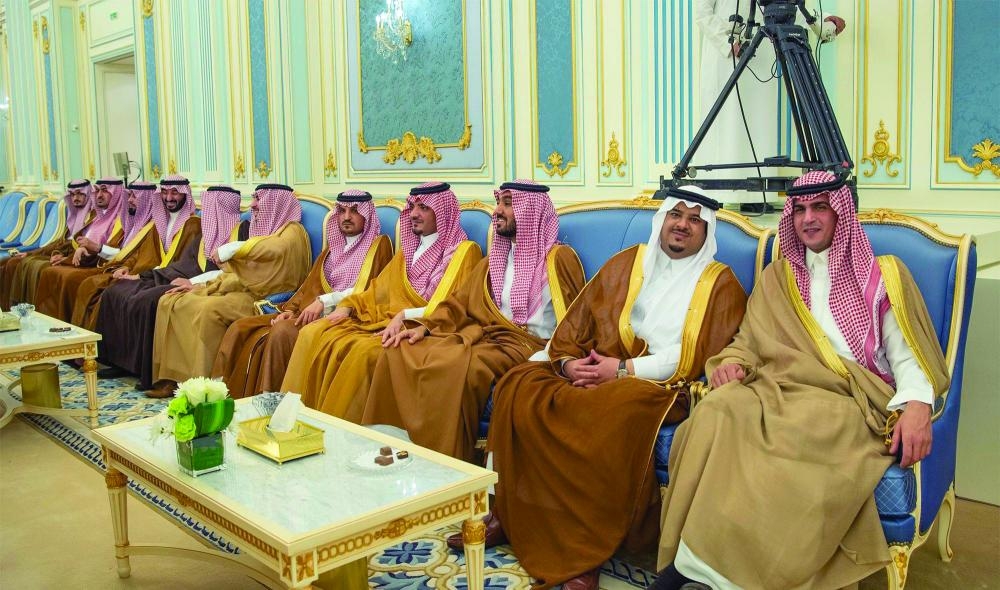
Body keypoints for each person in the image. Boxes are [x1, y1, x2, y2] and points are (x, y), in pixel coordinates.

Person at [651, 171, 949, 590]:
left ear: (841, 213)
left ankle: (735, 579)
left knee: (798, 429)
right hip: (778, 386)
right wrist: (732, 363)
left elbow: (908, 355)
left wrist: (917, 404)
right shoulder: (779, 277)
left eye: (820, 207)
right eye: (800, 209)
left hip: (847, 398)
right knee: (718, 409)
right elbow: (748, 340)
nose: (808, 218)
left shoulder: (882, 275)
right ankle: (692, 563)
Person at [451, 187, 747, 590]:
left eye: (694, 220)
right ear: (662, 219)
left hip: (656, 384)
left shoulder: (720, 284)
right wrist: (569, 363)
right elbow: (579, 319)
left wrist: (622, 369)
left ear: (706, 230)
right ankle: (507, 512)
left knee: (607, 411)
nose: (682, 225)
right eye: (676, 215)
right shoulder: (629, 261)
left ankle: (583, 549)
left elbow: (693, 355)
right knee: (519, 383)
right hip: (598, 364)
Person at [362, 180, 585, 461]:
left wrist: (554, 358)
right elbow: (458, 304)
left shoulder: (558, 259)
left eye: (508, 203)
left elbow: (575, 321)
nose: (497, 210)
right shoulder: (494, 261)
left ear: (531, 211)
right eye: (499, 203)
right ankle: (390, 447)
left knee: (457, 365)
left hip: (527, 345)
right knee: (400, 349)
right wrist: (424, 327)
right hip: (488, 337)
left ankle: (444, 462)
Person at [280, 181, 482, 417]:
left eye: (424, 208)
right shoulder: (408, 251)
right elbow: (378, 290)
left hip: (420, 327)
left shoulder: (464, 252)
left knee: (362, 352)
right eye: (413, 207)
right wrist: (348, 306)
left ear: (443, 212)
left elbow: (450, 306)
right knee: (315, 332)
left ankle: (341, 429)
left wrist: (403, 316)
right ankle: (297, 417)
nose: (414, 214)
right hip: (382, 320)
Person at [212, 189, 393, 398]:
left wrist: (324, 301)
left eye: (354, 211)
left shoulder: (379, 246)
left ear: (366, 215)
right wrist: (291, 309)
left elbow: (369, 290)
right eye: (342, 211)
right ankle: (223, 394)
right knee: (240, 327)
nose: (347, 217)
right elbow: (308, 286)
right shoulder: (331, 249)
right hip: (308, 312)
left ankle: (272, 399)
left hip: (346, 316)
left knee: (282, 332)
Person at [149, 183, 310, 398]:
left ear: (276, 203)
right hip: (244, 291)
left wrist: (233, 248)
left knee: (209, 309)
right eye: (254, 198)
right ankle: (175, 379)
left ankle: (205, 386)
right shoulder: (263, 230)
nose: (253, 205)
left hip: (266, 299)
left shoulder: (292, 232)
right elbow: (240, 273)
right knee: (174, 301)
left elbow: (275, 249)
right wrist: (202, 286)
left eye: (258, 199)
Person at [694, 0, 845, 205]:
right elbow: (702, 13)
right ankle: (719, 196)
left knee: (759, 124)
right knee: (727, 124)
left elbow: (785, 7)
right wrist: (727, 42)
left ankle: (756, 197)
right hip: (727, 56)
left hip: (761, 52)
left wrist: (822, 20)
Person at [95, 186, 245, 392]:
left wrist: (193, 283)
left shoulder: (241, 233)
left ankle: (145, 370)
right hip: (188, 281)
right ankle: (119, 362)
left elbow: (235, 272)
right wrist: (145, 276)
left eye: (210, 207)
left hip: (213, 287)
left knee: (148, 300)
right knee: (116, 291)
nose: (206, 213)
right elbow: (183, 265)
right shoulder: (206, 236)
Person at [71, 179, 199, 330]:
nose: (168, 198)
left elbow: (186, 264)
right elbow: (140, 253)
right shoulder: (159, 223)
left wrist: (144, 275)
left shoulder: (193, 226)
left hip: (167, 278)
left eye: (175, 192)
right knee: (111, 292)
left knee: (128, 297)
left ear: (185, 194)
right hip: (148, 275)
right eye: (164, 192)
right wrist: (127, 266)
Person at [34, 178, 127, 321]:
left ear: (117, 193)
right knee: (49, 272)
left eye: (104, 191)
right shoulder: (97, 215)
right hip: (88, 261)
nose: (99, 195)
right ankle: (48, 323)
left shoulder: (122, 220)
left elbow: (116, 252)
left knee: (68, 278)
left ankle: (67, 323)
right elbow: (77, 243)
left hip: (103, 265)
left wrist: (87, 251)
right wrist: (69, 256)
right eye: (97, 191)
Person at [1, 179, 94, 308]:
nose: (75, 198)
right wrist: (29, 253)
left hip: (78, 260)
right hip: (62, 254)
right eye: (72, 194)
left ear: (88, 193)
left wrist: (65, 258)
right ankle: (10, 311)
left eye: (79, 194)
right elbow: (60, 243)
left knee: (38, 268)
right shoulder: (73, 216)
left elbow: (88, 247)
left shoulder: (93, 217)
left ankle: (31, 311)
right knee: (10, 262)